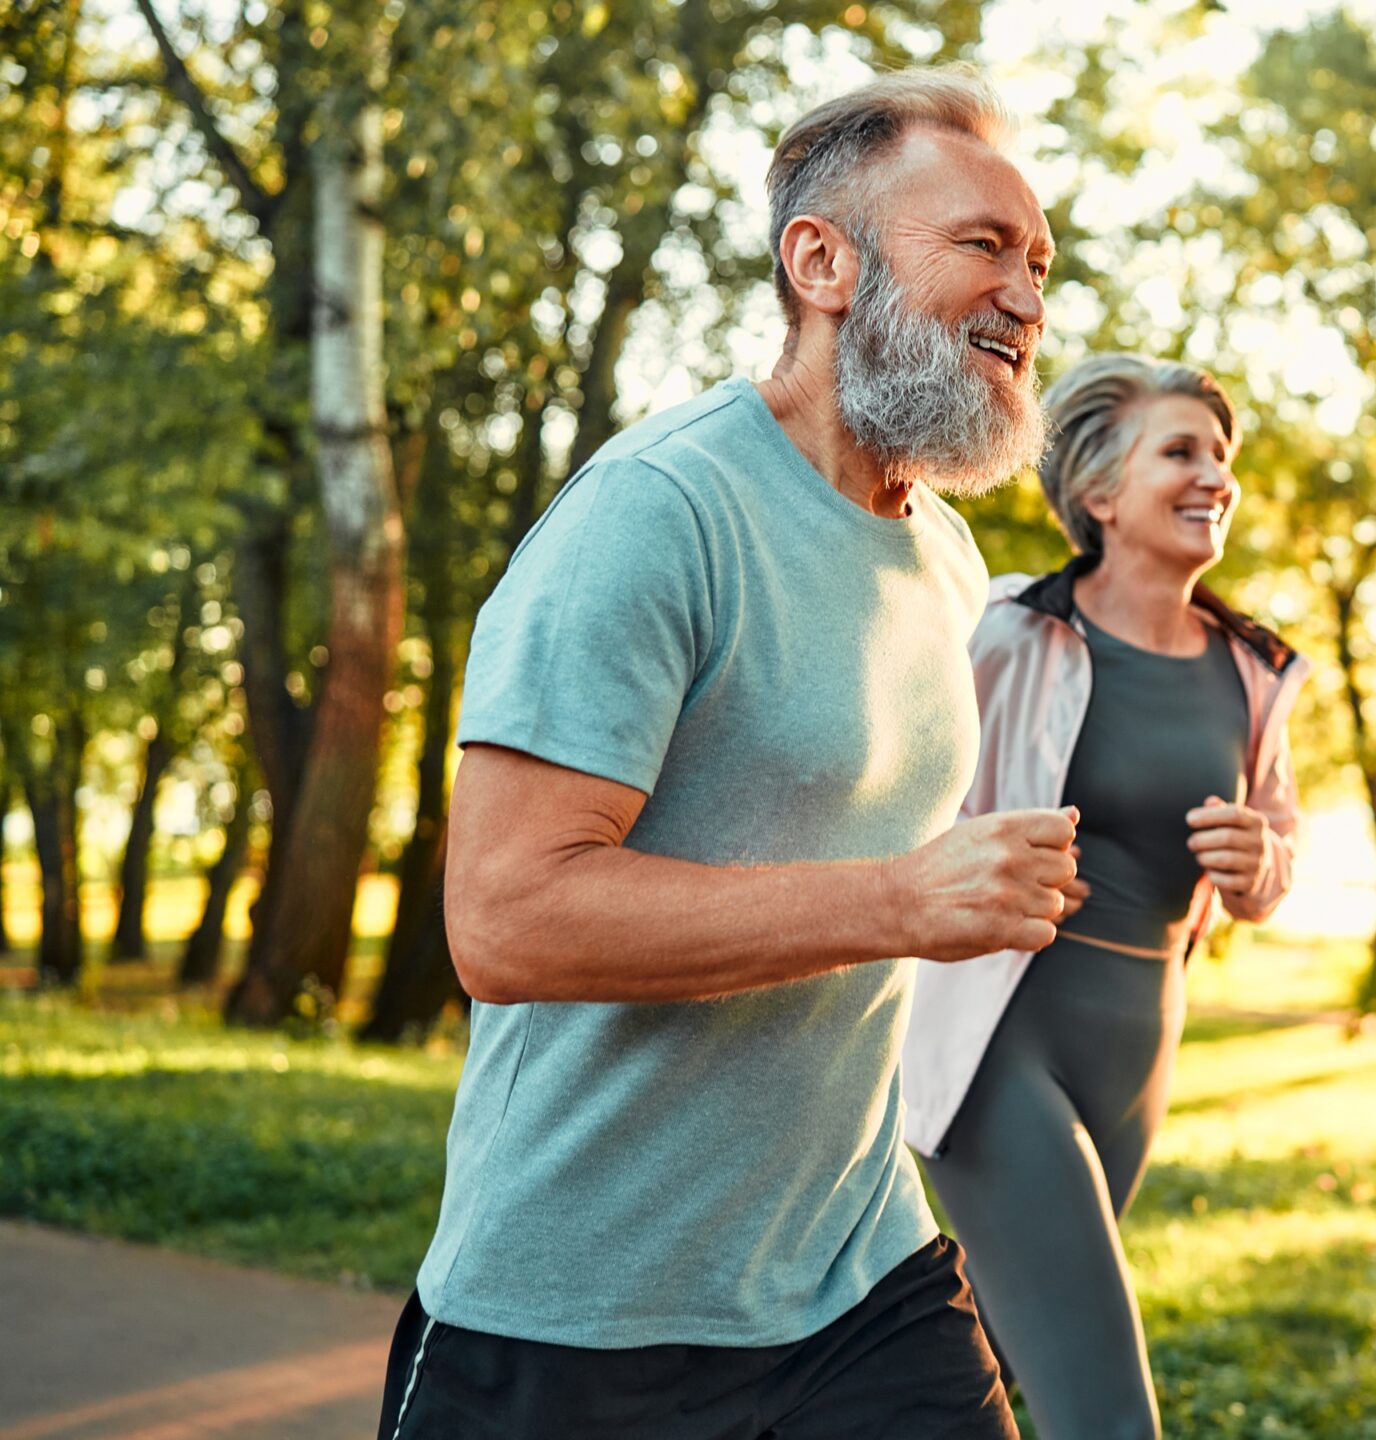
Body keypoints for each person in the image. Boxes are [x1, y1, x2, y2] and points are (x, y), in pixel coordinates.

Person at [377, 68, 1075, 1440]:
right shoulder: (656, 513)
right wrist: (898, 901)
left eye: (1042, 262)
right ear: (822, 261)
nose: (1030, 301)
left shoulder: (941, 551)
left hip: (855, 1276)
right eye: (984, 246)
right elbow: (507, 917)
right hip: (579, 1313)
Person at [902, 355, 1310, 1440]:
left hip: (1137, 1049)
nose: (1213, 476)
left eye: (1222, 457)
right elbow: (900, 800)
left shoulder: (1253, 669)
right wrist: (990, 853)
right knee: (1106, 1414)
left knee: (964, 1377)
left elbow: (1277, 844)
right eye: (1180, 451)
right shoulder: (1004, 633)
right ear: (1098, 494)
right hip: (1000, 1038)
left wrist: (1260, 863)